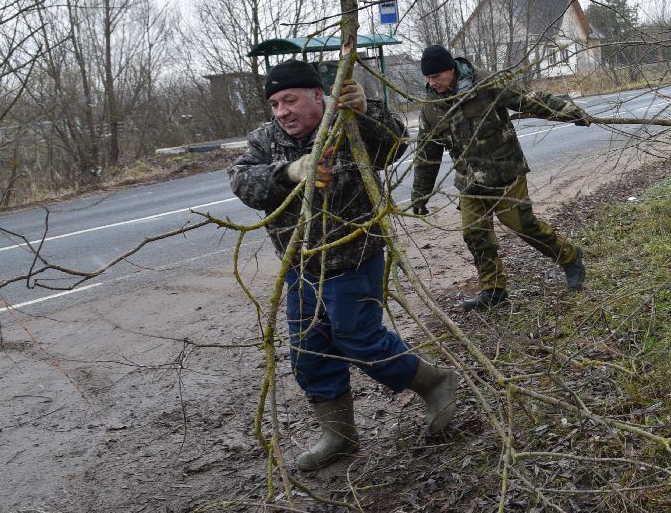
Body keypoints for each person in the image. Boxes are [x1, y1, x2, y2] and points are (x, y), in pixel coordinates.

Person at [228, 59, 459, 473]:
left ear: (318, 96)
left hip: (354, 258)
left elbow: (393, 147)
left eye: (290, 100)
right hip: (301, 266)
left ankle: (435, 382)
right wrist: (290, 172)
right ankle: (340, 435)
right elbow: (243, 183)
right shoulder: (265, 140)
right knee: (309, 352)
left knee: (358, 340)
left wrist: (366, 112)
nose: (282, 111)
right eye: (275, 103)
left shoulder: (346, 123)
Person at [408, 44, 589, 310]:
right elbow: (427, 154)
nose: (432, 83)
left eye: (436, 77)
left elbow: (530, 99)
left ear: (451, 70)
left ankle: (570, 257)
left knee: (522, 225)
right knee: (474, 233)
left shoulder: (486, 83)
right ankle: (493, 291)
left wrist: (569, 112)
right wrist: (420, 194)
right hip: (469, 181)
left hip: (505, 171)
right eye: (428, 79)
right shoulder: (432, 108)